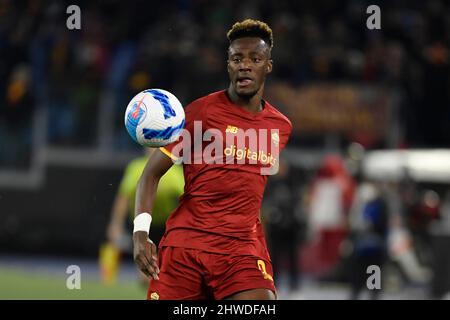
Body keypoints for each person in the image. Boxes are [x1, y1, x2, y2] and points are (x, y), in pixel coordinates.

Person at [133, 19, 292, 300]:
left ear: (268, 65)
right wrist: (140, 234)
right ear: (228, 65)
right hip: (187, 246)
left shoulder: (280, 127)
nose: (244, 65)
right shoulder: (198, 114)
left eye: (254, 58)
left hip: (242, 249)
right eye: (237, 59)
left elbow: (250, 191)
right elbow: (151, 174)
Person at [103, 147, 184, 284]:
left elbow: (184, 198)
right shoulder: (136, 167)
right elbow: (123, 198)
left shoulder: (174, 171)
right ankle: (108, 280)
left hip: (164, 226)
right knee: (145, 277)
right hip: (142, 225)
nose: (152, 149)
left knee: (160, 275)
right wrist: (115, 224)